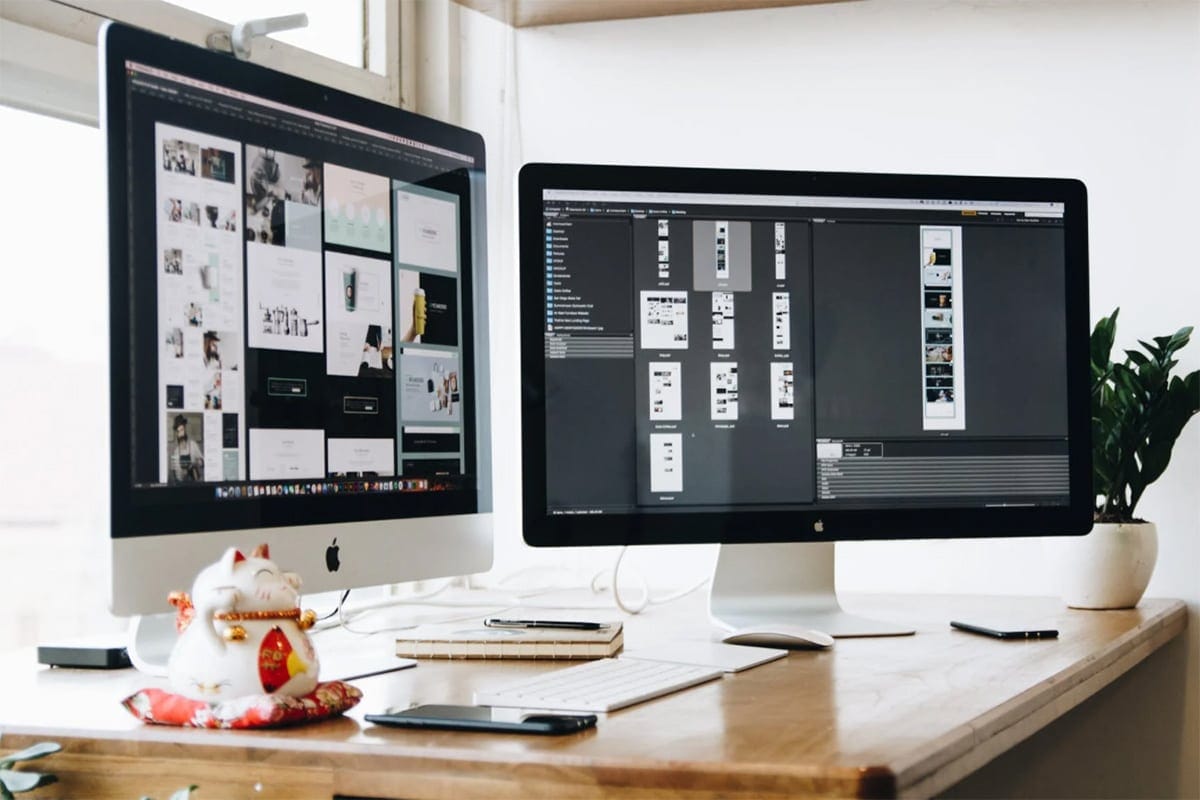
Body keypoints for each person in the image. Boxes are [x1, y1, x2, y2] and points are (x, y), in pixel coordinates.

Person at [168, 415, 203, 483]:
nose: (180, 434)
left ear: (185, 429)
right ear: (176, 433)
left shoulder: (193, 444)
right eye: (178, 431)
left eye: (182, 430)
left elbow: (202, 462)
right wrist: (181, 474)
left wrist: (196, 463)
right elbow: (174, 473)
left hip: (195, 483)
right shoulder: (175, 451)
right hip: (181, 483)